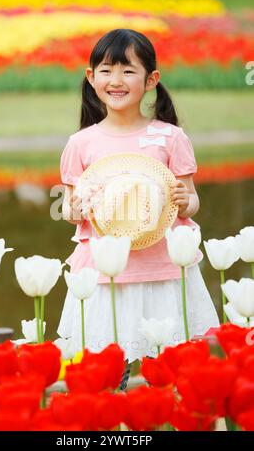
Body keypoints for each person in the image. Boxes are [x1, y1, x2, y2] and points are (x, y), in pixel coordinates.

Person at [57, 28, 220, 390]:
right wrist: (76, 207)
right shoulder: (81, 143)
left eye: (128, 70)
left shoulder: (170, 137)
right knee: (109, 369)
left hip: (161, 267)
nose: (116, 80)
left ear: (151, 80)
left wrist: (184, 199)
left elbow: (191, 200)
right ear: (91, 77)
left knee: (169, 368)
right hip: (106, 274)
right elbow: (70, 210)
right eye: (106, 70)